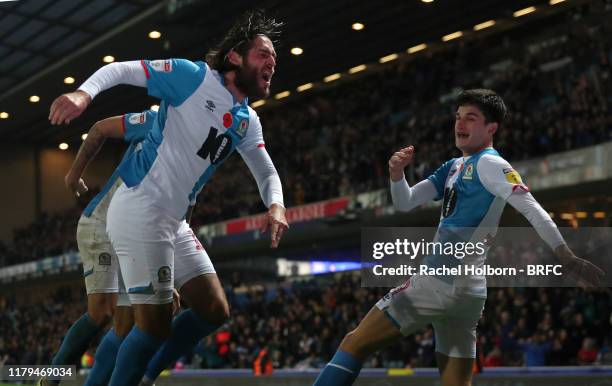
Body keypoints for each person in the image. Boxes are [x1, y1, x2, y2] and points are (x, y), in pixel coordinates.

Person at [49, 10, 287, 386]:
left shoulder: (246, 119)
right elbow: (123, 70)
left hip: (173, 220)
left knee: (213, 310)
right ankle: (67, 374)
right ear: (235, 58)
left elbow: (266, 170)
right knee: (141, 324)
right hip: (139, 208)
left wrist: (276, 204)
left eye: (275, 57)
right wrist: (83, 93)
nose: (272, 61)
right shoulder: (191, 77)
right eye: (264, 53)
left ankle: (141, 373)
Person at [313, 89, 603, 386]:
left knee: (354, 343)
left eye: (471, 118)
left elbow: (533, 209)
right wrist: (397, 175)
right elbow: (406, 201)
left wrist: (566, 256)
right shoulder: (453, 166)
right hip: (469, 294)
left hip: (438, 281)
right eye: (458, 117)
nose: (460, 124)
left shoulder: (491, 164)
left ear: (492, 128)